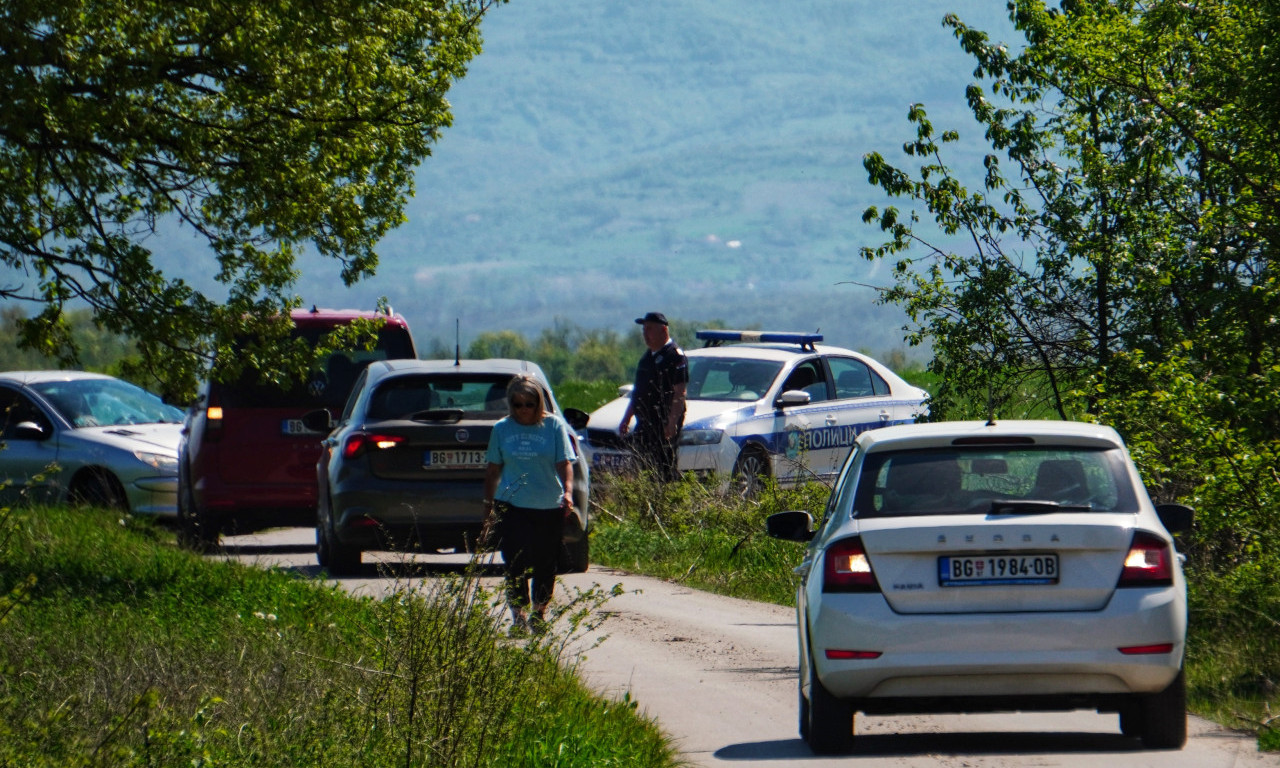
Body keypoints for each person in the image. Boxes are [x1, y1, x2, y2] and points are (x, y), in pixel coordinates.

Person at [483, 374, 577, 635]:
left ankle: (539, 612)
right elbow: (492, 470)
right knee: (514, 562)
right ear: (510, 404)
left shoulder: (554, 426)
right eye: (518, 404)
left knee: (546, 562)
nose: (523, 409)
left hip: (548, 504)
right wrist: (488, 506)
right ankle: (519, 617)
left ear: (539, 403)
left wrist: (568, 492)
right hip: (511, 504)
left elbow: (564, 462)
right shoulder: (502, 429)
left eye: (529, 404)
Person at [619, 312, 688, 482]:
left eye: (649, 329)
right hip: (645, 423)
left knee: (663, 468)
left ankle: (664, 503)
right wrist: (627, 418)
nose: (645, 334)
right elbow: (638, 392)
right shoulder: (647, 358)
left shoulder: (675, 356)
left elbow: (679, 393)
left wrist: (672, 423)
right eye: (644, 330)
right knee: (642, 467)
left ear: (663, 330)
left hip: (663, 423)